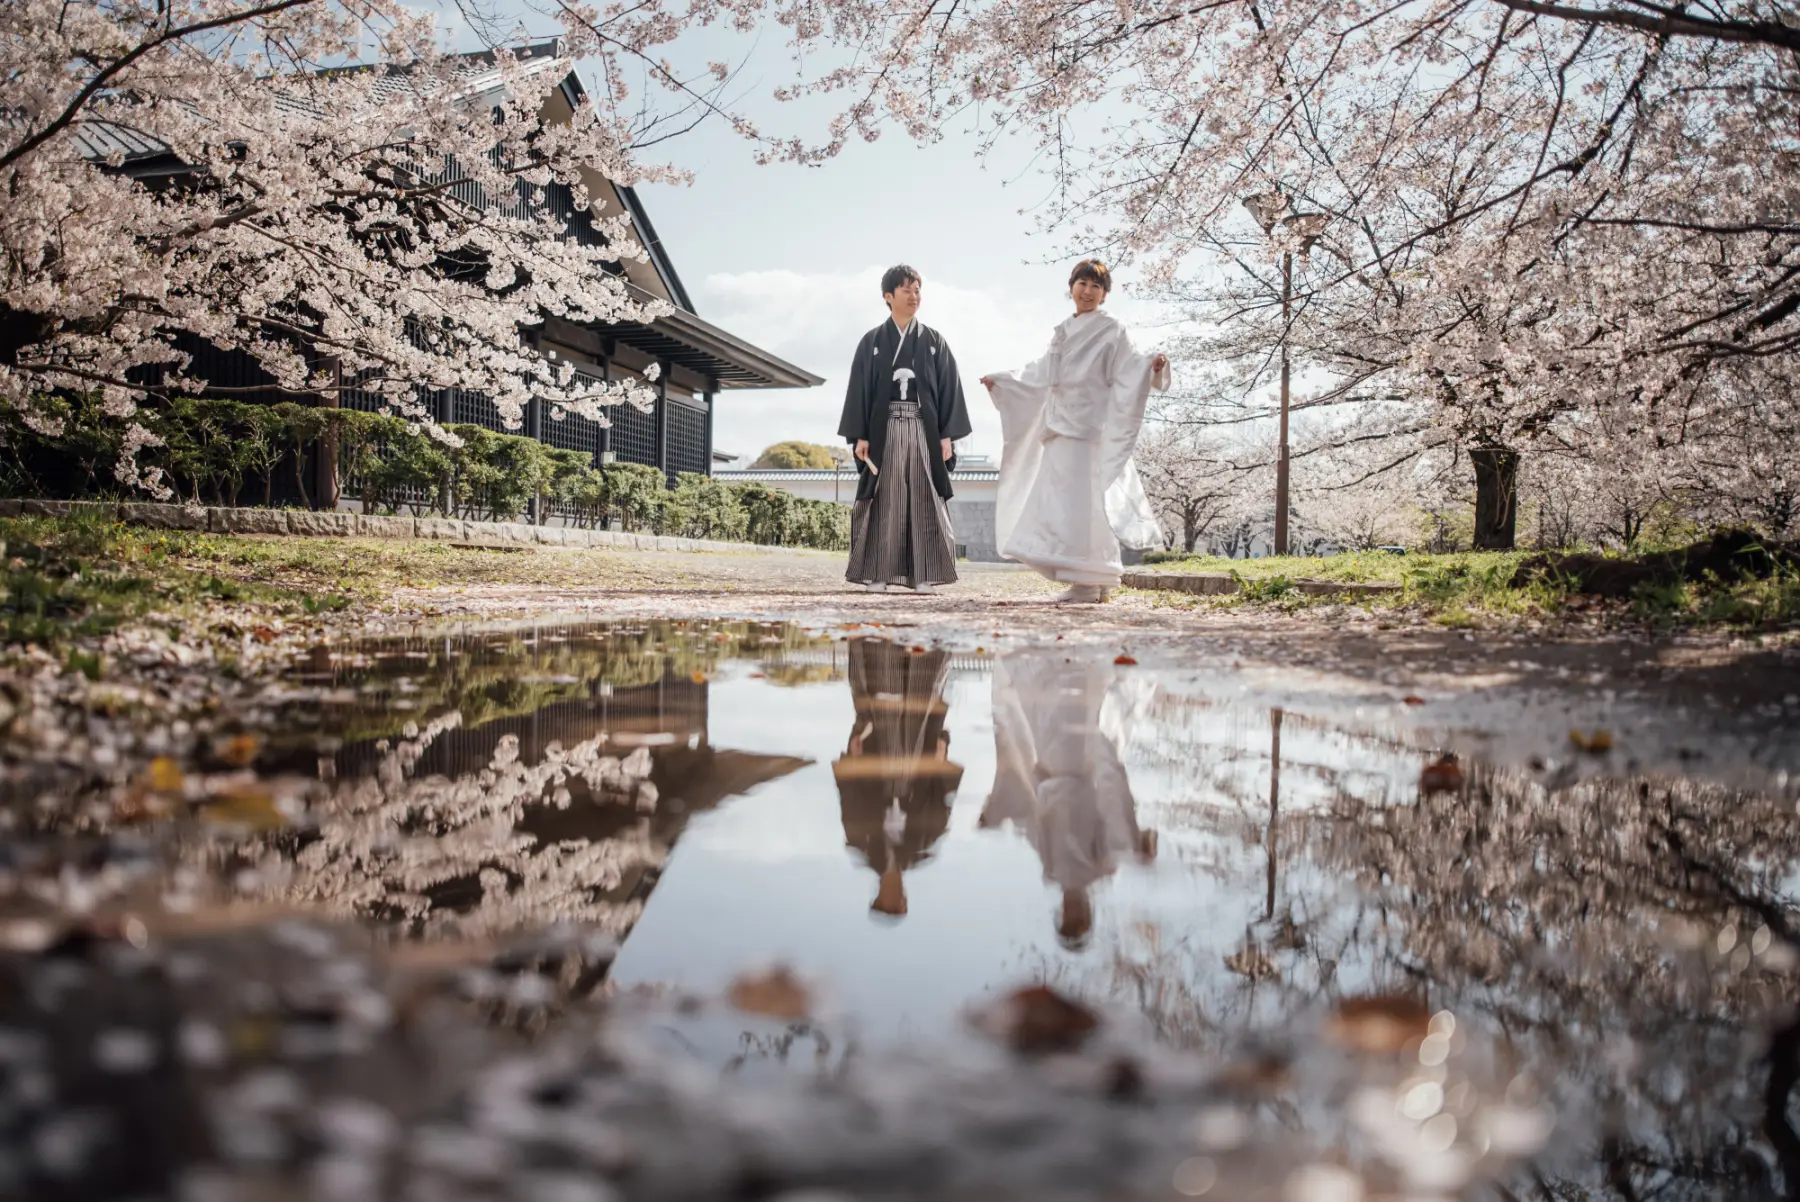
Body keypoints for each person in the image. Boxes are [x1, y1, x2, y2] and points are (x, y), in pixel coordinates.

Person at [981, 260, 1170, 603]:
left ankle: (1088, 582)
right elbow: (1040, 373)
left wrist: (1151, 368)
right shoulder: (1062, 330)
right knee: (1064, 504)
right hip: (1059, 425)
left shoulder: (1113, 329)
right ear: (1071, 287)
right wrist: (1005, 382)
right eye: (1082, 283)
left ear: (1105, 294)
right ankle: (1089, 580)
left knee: (1086, 504)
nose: (1087, 291)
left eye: (1095, 286)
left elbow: (1131, 365)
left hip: (1089, 426)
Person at [980, 650, 1157, 949]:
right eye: (1076, 915)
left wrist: (1003, 811)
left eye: (1066, 915)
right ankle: (1079, 663)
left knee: (1052, 711)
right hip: (1078, 774)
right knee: (1073, 712)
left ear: (1060, 912)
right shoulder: (1102, 869)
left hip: (1056, 772)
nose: (1070, 909)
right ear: (1086, 910)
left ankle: (1069, 663)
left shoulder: (1052, 870)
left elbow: (1034, 825)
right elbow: (1114, 830)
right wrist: (1135, 845)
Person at [838, 265, 974, 594]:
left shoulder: (932, 341)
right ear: (888, 296)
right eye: (906, 291)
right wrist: (860, 436)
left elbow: (948, 388)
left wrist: (946, 436)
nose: (914, 297)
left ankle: (924, 575)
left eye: (917, 290)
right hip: (882, 429)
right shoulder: (872, 341)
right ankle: (877, 573)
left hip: (923, 429)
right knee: (884, 498)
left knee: (924, 496)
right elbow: (860, 389)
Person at [832, 639, 963, 920]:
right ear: (904, 897)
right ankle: (927, 643)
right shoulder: (923, 846)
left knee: (883, 698)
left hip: (878, 766)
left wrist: (852, 760)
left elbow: (850, 799)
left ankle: (884, 640)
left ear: (878, 895)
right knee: (923, 697)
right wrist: (941, 755)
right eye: (897, 901)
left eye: (886, 900)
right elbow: (942, 802)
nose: (893, 896)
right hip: (916, 767)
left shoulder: (861, 843)